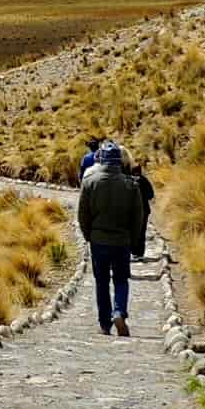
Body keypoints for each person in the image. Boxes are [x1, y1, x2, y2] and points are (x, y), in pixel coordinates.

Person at [78, 140, 149, 337]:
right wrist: (134, 240)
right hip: (122, 241)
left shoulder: (89, 183)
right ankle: (119, 312)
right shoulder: (130, 185)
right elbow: (138, 216)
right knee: (120, 279)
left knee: (101, 281)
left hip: (98, 241)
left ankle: (104, 323)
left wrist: (88, 235)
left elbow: (82, 213)